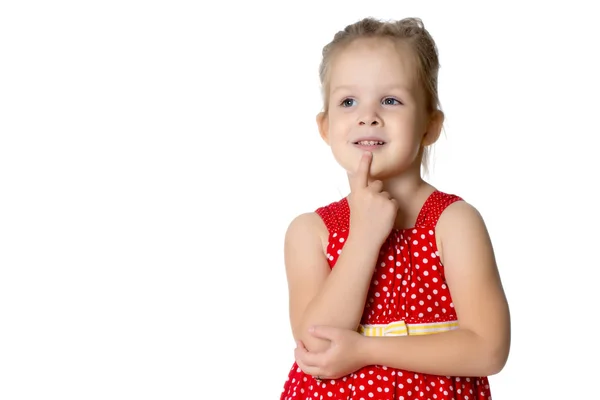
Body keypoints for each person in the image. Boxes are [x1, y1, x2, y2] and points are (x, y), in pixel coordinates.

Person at [279, 16, 511, 400]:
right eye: (348, 101)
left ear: (430, 125)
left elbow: (489, 349)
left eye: (391, 100)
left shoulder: (454, 223)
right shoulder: (310, 232)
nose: (367, 115)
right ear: (325, 126)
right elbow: (317, 346)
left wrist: (366, 350)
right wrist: (363, 237)